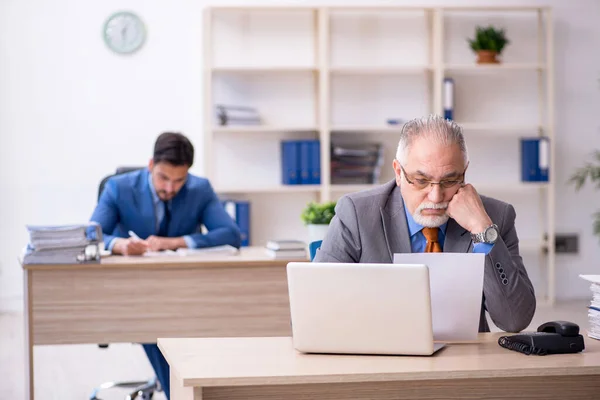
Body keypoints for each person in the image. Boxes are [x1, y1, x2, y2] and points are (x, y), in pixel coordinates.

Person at [314, 115, 536, 333]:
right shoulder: (357, 214)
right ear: (399, 173)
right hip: (380, 355)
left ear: (464, 173)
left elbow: (514, 320)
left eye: (449, 180)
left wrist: (482, 231)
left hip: (463, 360)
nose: (436, 196)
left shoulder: (495, 217)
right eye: (421, 181)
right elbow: (315, 310)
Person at [90, 131, 241, 399]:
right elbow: (93, 234)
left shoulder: (199, 189)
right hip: (136, 291)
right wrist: (119, 245)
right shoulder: (118, 187)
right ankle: (181, 393)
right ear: (150, 165)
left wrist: (175, 242)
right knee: (156, 320)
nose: (170, 188)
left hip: (185, 288)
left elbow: (230, 234)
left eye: (179, 180)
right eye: (163, 178)